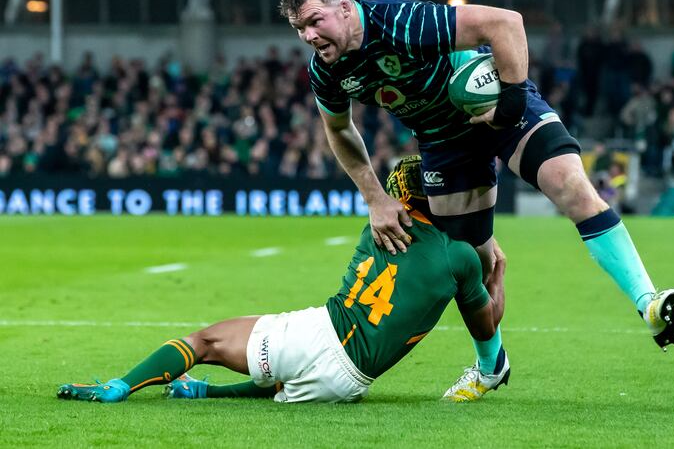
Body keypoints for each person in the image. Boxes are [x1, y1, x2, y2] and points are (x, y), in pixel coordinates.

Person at [279, 0, 674, 389]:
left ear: (346, 8)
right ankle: (491, 366)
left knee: (570, 184)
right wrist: (375, 198)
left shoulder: (399, 22)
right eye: (299, 28)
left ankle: (650, 303)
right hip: (444, 143)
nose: (308, 36)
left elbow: (505, 23)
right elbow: (339, 128)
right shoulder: (326, 70)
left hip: (497, 108)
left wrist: (511, 104)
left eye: (315, 21)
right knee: (472, 265)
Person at [57, 156, 509, 404]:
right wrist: (498, 272)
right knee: (281, 381)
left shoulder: (377, 224)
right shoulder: (462, 259)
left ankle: (118, 387)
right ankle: (205, 392)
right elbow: (485, 324)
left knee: (204, 343)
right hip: (351, 383)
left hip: (324, 337)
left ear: (402, 199)